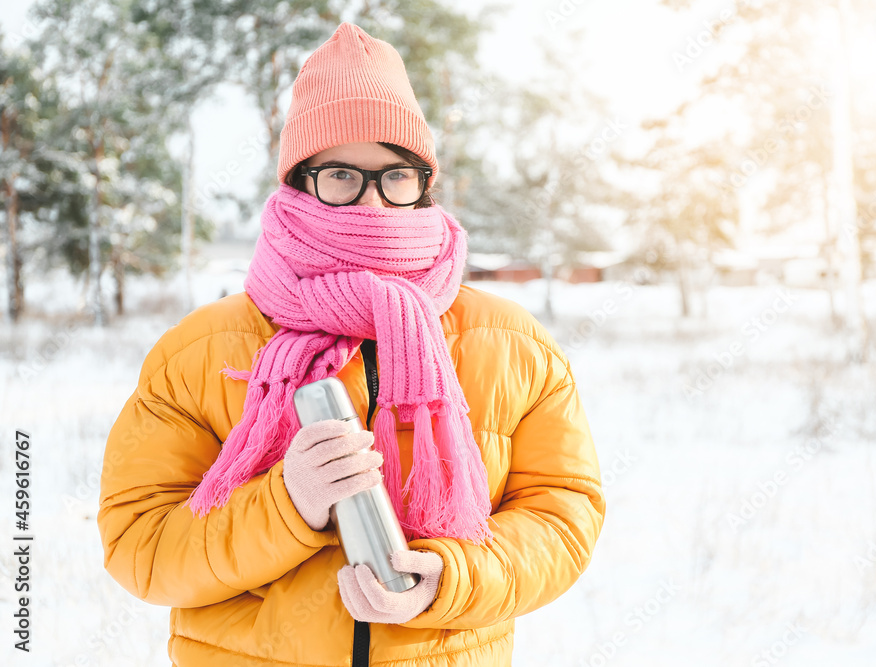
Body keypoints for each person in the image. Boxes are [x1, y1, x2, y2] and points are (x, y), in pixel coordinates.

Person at [98, 22, 605, 667]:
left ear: (425, 182)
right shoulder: (200, 351)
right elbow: (139, 547)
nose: (373, 202)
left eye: (396, 175)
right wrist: (287, 504)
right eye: (341, 173)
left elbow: (564, 516)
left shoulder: (511, 344)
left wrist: (452, 580)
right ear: (299, 180)